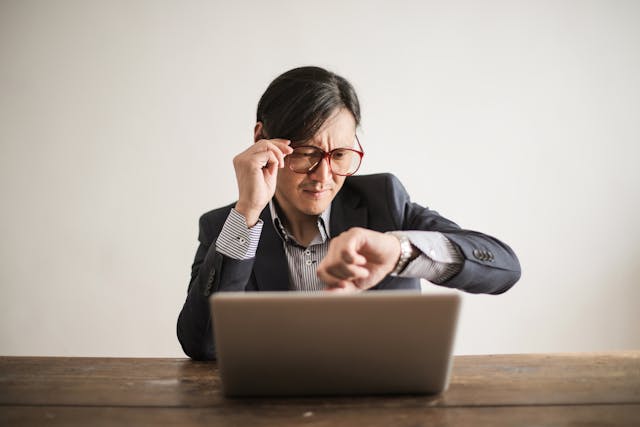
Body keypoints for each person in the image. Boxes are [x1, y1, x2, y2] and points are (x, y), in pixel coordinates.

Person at [177, 66, 521, 360]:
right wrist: (248, 213)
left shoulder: (384, 200)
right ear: (262, 141)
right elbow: (202, 344)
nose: (323, 177)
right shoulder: (225, 226)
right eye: (306, 153)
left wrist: (399, 253)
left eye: (340, 155)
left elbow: (503, 268)